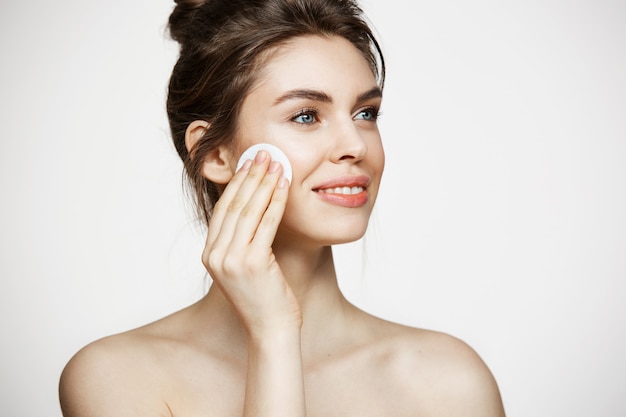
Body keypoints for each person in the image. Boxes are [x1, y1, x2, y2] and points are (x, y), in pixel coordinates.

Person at [59, 0, 506, 416]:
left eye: (365, 113)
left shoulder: (449, 382)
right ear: (215, 155)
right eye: (306, 115)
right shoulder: (116, 377)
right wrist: (273, 335)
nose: (355, 145)